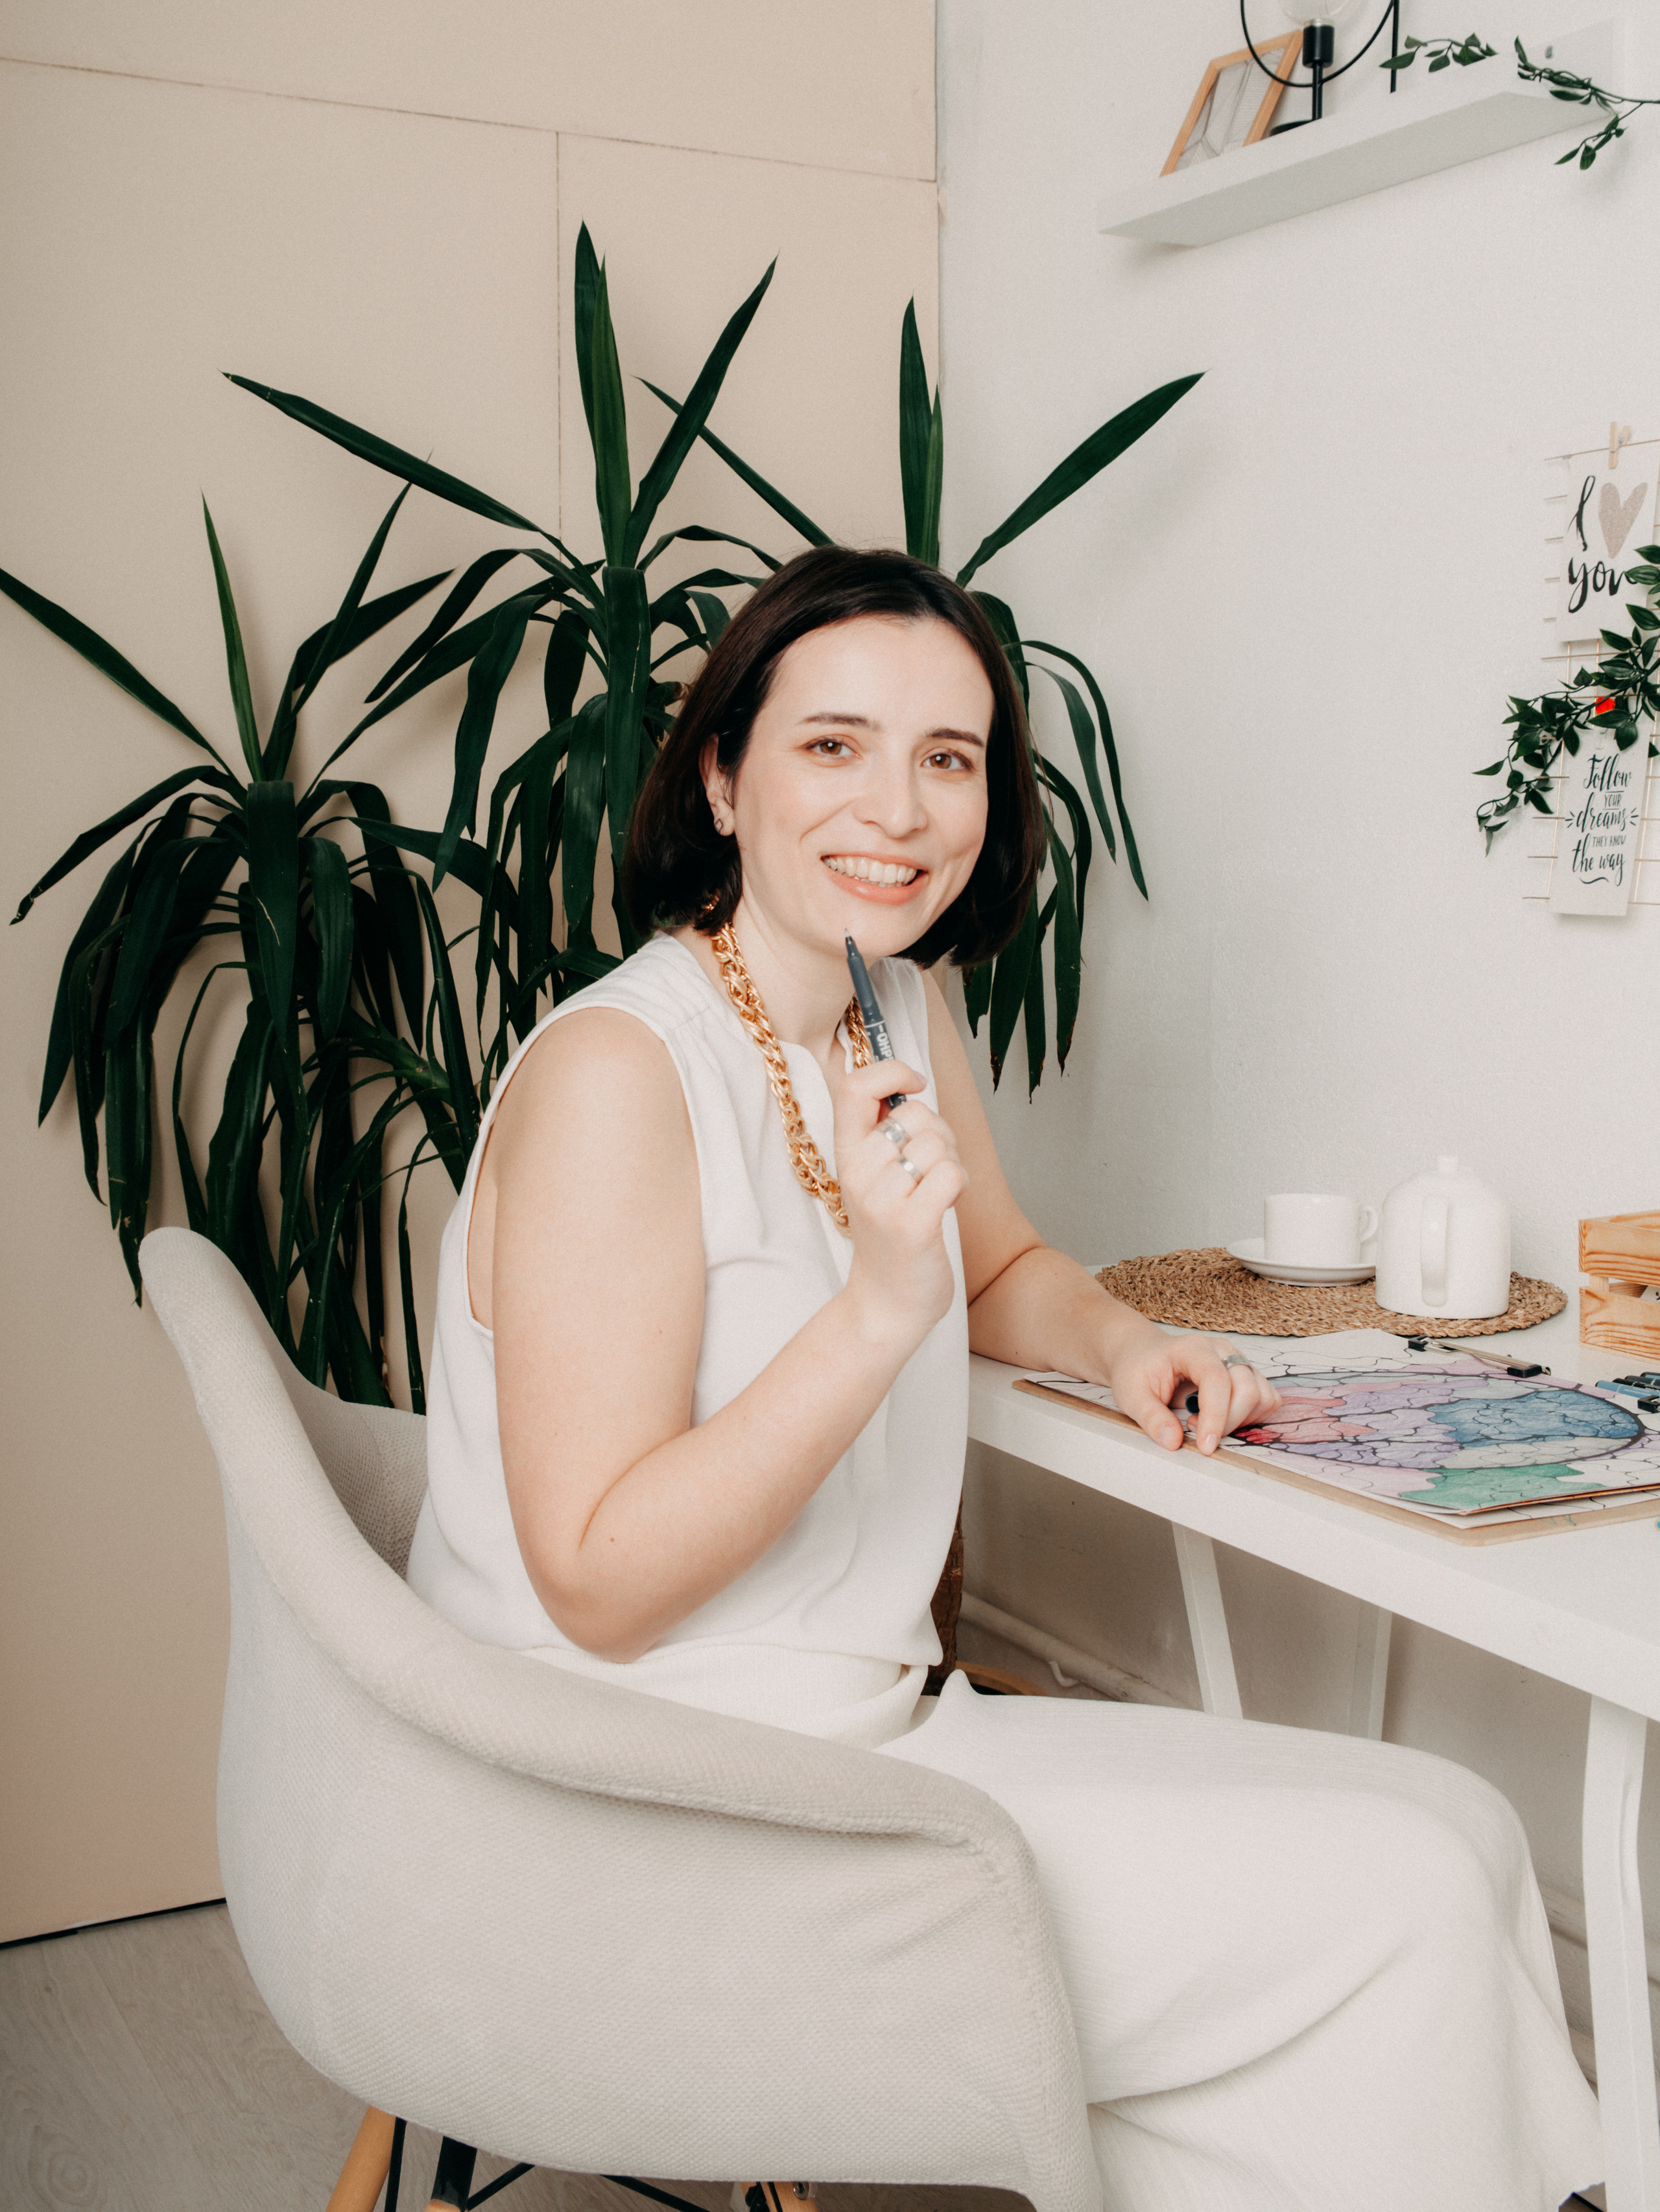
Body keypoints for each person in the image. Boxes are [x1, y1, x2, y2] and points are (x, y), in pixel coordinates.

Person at [407, 547, 1601, 2211]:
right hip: (665, 1798)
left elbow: (991, 1263)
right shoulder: (622, 1071)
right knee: (1404, 1890)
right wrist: (875, 1313)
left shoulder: (894, 1004)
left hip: (870, 1727)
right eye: (832, 744)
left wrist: (1122, 1341)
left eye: (947, 756)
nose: (898, 806)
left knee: (1463, 1834)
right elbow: (598, 1583)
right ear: (722, 771)